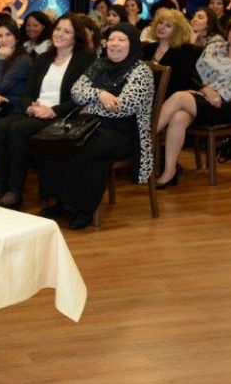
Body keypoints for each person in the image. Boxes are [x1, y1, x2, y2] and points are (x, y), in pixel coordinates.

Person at [36, 23, 154, 230]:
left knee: (90, 146)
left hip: (125, 132)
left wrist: (90, 104)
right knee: (62, 141)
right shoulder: (100, 64)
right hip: (92, 125)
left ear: (133, 44)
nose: (114, 44)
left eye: (121, 40)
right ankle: (64, 201)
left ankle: (83, 208)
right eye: (112, 39)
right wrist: (100, 94)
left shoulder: (141, 71)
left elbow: (123, 106)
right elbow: (76, 91)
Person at [0, 13, 95, 208]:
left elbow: (81, 98)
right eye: (58, 29)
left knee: (17, 129)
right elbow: (27, 93)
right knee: (0, 127)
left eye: (67, 31)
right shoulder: (44, 58)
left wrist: (52, 111)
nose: (60, 34)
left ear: (75, 36)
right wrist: (29, 106)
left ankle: (15, 189)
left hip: (61, 116)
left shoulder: (85, 59)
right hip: (36, 112)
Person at [155, 13, 231, 188]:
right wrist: (205, 90)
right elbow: (194, 75)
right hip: (202, 99)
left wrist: (216, 95)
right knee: (178, 117)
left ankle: (142, 139)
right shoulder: (214, 48)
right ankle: (169, 172)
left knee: (179, 97)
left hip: (228, 107)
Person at [141, 9, 202, 97]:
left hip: (170, 96)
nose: (161, 27)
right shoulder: (147, 48)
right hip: (144, 94)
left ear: (177, 31)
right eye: (160, 23)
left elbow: (182, 81)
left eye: (168, 26)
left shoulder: (184, 51)